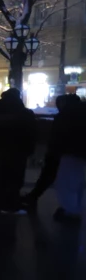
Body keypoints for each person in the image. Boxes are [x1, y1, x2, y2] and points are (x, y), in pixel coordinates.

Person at [23, 93, 86, 221]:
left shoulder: (66, 115)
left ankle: (70, 212)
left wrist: (52, 151)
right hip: (77, 153)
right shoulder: (79, 112)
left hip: (66, 153)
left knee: (67, 182)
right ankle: (72, 209)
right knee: (75, 182)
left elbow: (59, 136)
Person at [0, 87, 36, 213]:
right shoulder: (25, 113)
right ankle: (11, 203)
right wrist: (29, 150)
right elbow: (31, 134)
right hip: (18, 151)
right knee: (14, 178)